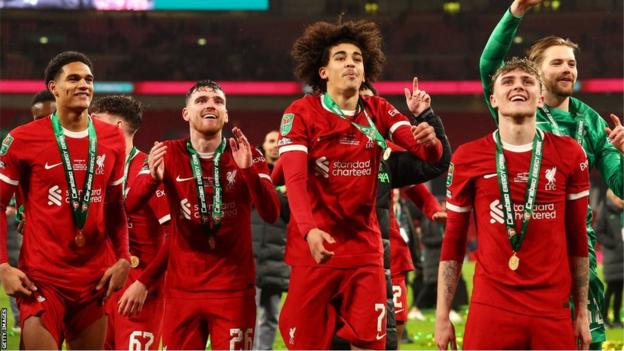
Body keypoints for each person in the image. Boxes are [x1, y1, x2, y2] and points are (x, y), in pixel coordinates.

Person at [277, 19, 443, 349]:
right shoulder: (299, 113)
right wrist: (309, 230)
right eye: (340, 57)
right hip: (316, 251)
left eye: (357, 57)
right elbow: (294, 179)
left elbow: (425, 152)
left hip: (365, 253)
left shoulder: (378, 109)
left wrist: (429, 136)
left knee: (371, 344)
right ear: (322, 72)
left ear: (366, 72)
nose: (351, 62)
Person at [479, 1, 624, 347]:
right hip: (522, 247)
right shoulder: (518, 107)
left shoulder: (591, 122)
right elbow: (488, 66)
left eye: (572, 63)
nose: (567, 69)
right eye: (557, 62)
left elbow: (620, 184)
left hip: (576, 253)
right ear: (537, 72)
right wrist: (514, 13)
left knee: (585, 341)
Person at [435, 57, 591, 349]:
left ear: (541, 97)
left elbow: (577, 237)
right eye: (508, 81)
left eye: (527, 82)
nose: (518, 87)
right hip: (491, 307)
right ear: (493, 98)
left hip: (552, 309)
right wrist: (442, 316)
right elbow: (453, 241)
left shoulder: (571, 154)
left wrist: (582, 310)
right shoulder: (468, 157)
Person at [119, 80, 280, 350]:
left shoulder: (247, 153)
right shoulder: (168, 152)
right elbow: (131, 205)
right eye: (201, 100)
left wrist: (249, 172)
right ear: (186, 113)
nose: (210, 105)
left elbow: (271, 213)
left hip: (234, 291)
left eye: (218, 101)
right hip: (182, 292)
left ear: (226, 114)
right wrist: (152, 180)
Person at [0, 51, 130, 349]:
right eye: (73, 78)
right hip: (42, 281)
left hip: (94, 282)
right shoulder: (22, 139)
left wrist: (123, 258)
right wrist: (2, 266)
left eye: (89, 79)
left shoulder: (111, 139)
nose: (84, 84)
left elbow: (114, 207)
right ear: (53, 88)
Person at [90, 95, 171, 351]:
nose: (87, 128)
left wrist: (143, 284)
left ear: (116, 127)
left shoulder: (151, 169)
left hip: (138, 292)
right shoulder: (93, 171)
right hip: (97, 290)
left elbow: (176, 236)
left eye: (95, 123)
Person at [251, 130, 290, 350]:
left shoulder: (292, 175)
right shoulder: (253, 173)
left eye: (280, 142)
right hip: (252, 254)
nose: (275, 145)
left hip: (277, 255)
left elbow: (291, 215)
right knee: (251, 314)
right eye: (271, 141)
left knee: (271, 315)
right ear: (263, 145)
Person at [596, 189, 624, 329]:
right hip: (612, 256)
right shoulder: (605, 210)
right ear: (613, 198)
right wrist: (613, 243)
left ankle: (618, 319)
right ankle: (605, 318)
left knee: (620, 289)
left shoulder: (621, 212)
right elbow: (599, 232)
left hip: (623, 257)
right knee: (611, 288)